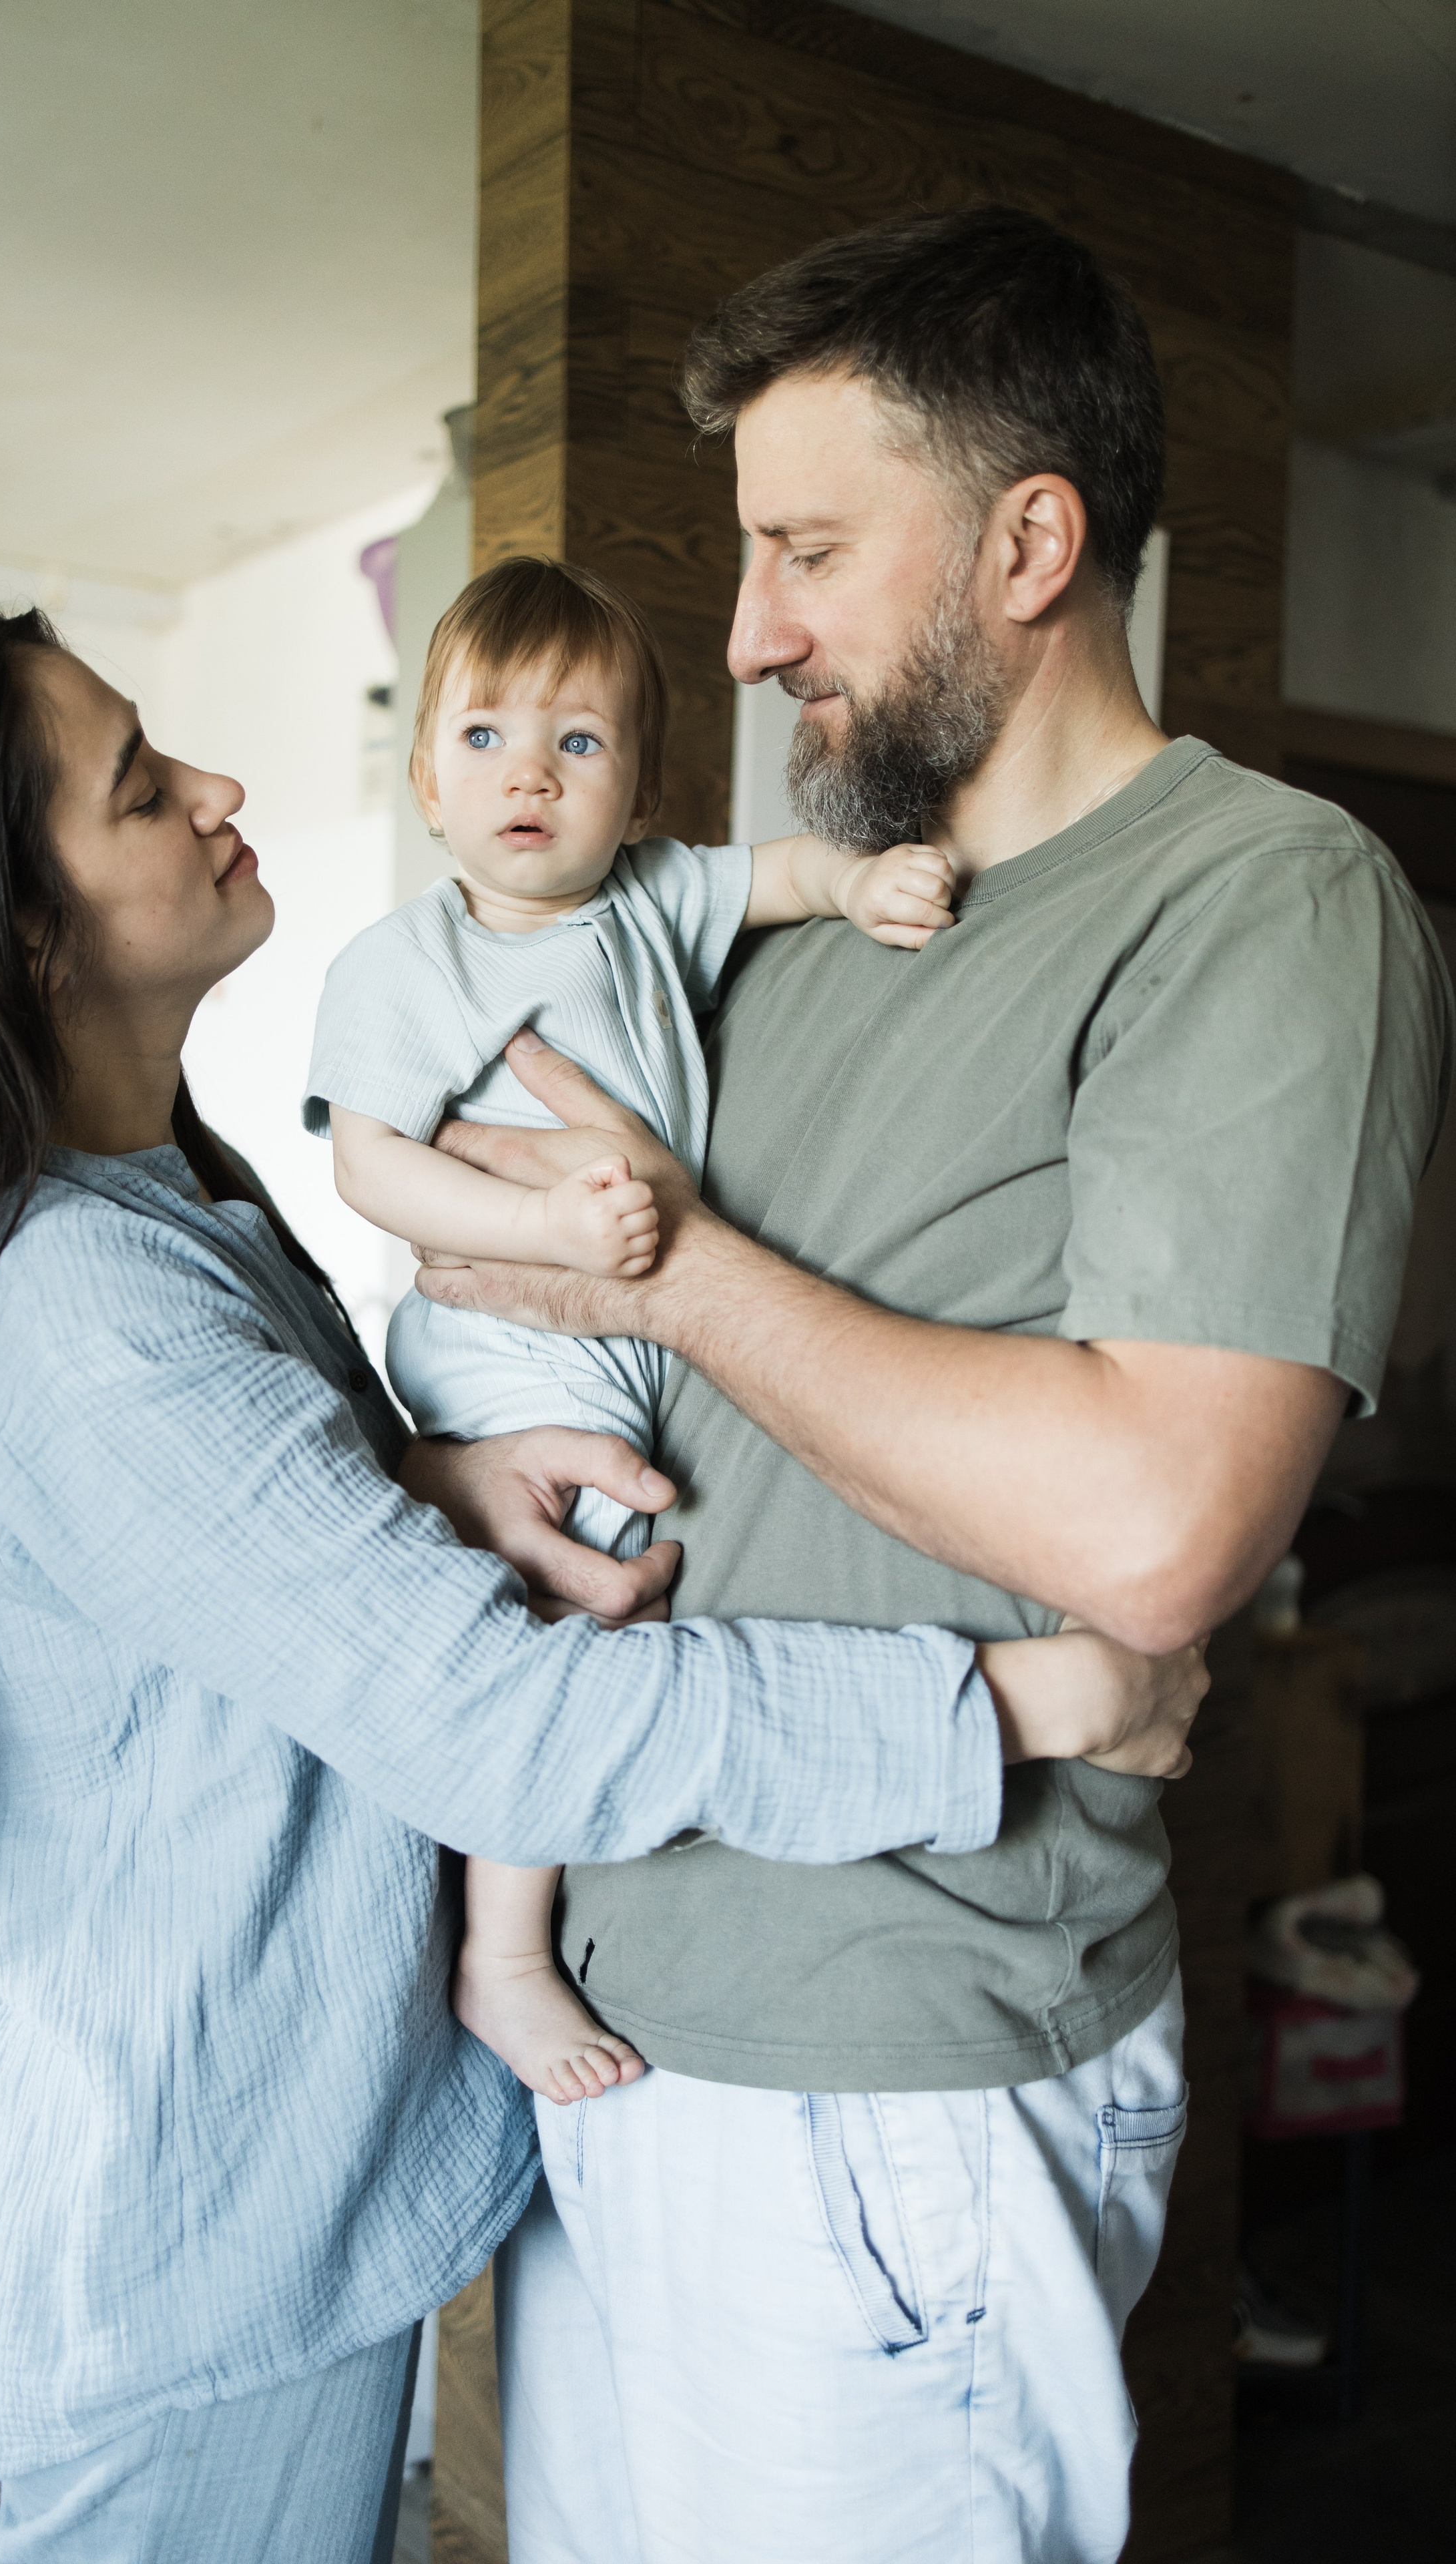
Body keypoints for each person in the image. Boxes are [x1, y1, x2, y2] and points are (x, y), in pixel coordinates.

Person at [0, 608, 1198, 2564]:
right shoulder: (77, 1300)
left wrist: (420, 1480)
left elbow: (173, 1558)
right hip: (192, 2246)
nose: (221, 791)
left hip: (227, 2194)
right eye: (140, 787)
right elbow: (508, 1735)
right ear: (17, 935)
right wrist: (1027, 1700)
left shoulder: (152, 1203)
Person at [415, 207, 1453, 2563]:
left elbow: (1160, 1528)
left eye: (808, 551)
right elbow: (569, 1340)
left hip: (898, 2088)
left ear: (1031, 541)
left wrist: (683, 1271)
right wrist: (466, 1446)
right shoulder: (790, 937)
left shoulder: (1259, 904)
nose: (753, 628)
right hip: (618, 2018)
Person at [304, 552, 956, 2107]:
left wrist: (861, 884)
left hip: (633, 1335)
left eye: (577, 744)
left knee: (623, 1593)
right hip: (508, 1346)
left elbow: (779, 877)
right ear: (423, 781)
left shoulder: (655, 892)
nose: (528, 773)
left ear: (634, 785)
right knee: (565, 1620)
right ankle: (505, 1951)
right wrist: (545, 1230)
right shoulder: (413, 962)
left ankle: (556, 1891)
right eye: (483, 741)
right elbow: (369, 1161)